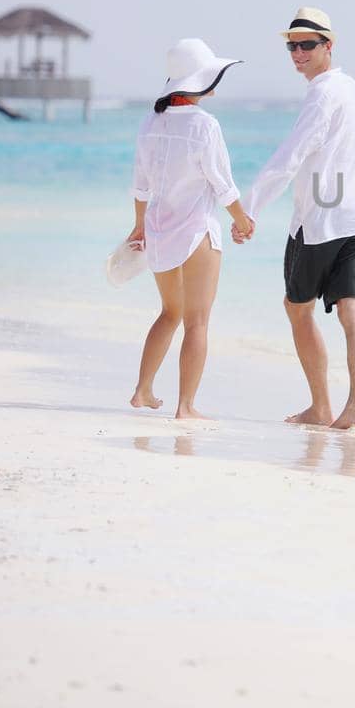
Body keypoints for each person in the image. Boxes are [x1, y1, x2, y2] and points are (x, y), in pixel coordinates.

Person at [237, 7, 355, 431]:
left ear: (328, 46)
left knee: (298, 309)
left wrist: (249, 208)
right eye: (291, 46)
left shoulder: (322, 93)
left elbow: (291, 155)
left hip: (319, 224)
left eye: (307, 45)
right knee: (353, 311)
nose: (297, 53)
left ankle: (321, 406)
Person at [126, 38, 255, 421]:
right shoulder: (205, 125)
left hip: (159, 231)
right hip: (197, 232)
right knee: (197, 321)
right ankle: (185, 406)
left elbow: (140, 184)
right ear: (203, 80)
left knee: (169, 313)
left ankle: (142, 391)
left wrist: (138, 227)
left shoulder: (151, 122)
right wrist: (243, 220)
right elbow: (222, 184)